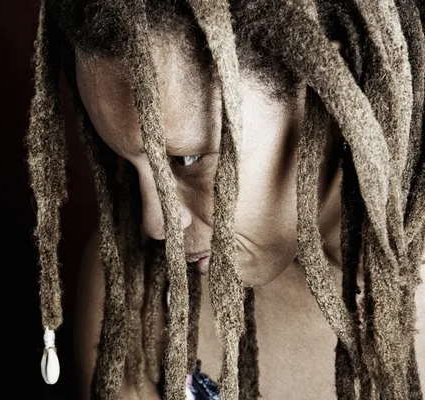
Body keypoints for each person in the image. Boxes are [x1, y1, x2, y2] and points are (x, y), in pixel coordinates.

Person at [26, 0, 425, 399]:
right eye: (130, 164)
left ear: (328, 96)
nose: (155, 224)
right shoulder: (131, 290)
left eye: (186, 160)